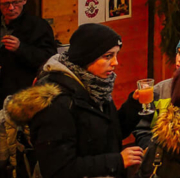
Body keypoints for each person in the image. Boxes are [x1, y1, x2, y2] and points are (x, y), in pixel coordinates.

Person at [15, 24, 143, 178]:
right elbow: (58, 169)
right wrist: (117, 161)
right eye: (108, 56)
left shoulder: (96, 86)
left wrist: (134, 105)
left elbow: (108, 135)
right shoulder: (56, 102)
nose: (115, 62)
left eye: (116, 55)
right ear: (86, 57)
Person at [0, 0, 57, 103]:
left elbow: (49, 60)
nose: (11, 8)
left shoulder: (37, 26)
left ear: (24, 0)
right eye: (5, 4)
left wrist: (20, 48)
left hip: (23, 95)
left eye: (16, 2)